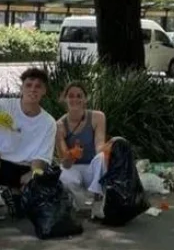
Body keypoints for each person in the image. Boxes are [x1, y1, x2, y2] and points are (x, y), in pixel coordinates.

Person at [0, 68, 57, 216]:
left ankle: (13, 194)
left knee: (23, 211)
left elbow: (42, 157)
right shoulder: (5, 106)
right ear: (21, 88)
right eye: (29, 85)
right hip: (2, 162)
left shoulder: (48, 122)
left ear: (44, 91)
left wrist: (34, 173)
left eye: (38, 86)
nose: (33, 89)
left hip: (25, 169)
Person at [57, 82, 107, 220]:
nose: (75, 99)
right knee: (64, 177)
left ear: (85, 99)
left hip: (92, 167)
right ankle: (82, 204)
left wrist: (107, 151)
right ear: (65, 99)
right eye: (71, 96)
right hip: (73, 167)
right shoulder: (59, 125)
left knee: (102, 157)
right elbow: (65, 163)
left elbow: (99, 145)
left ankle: (97, 197)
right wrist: (72, 155)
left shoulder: (98, 117)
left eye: (79, 96)